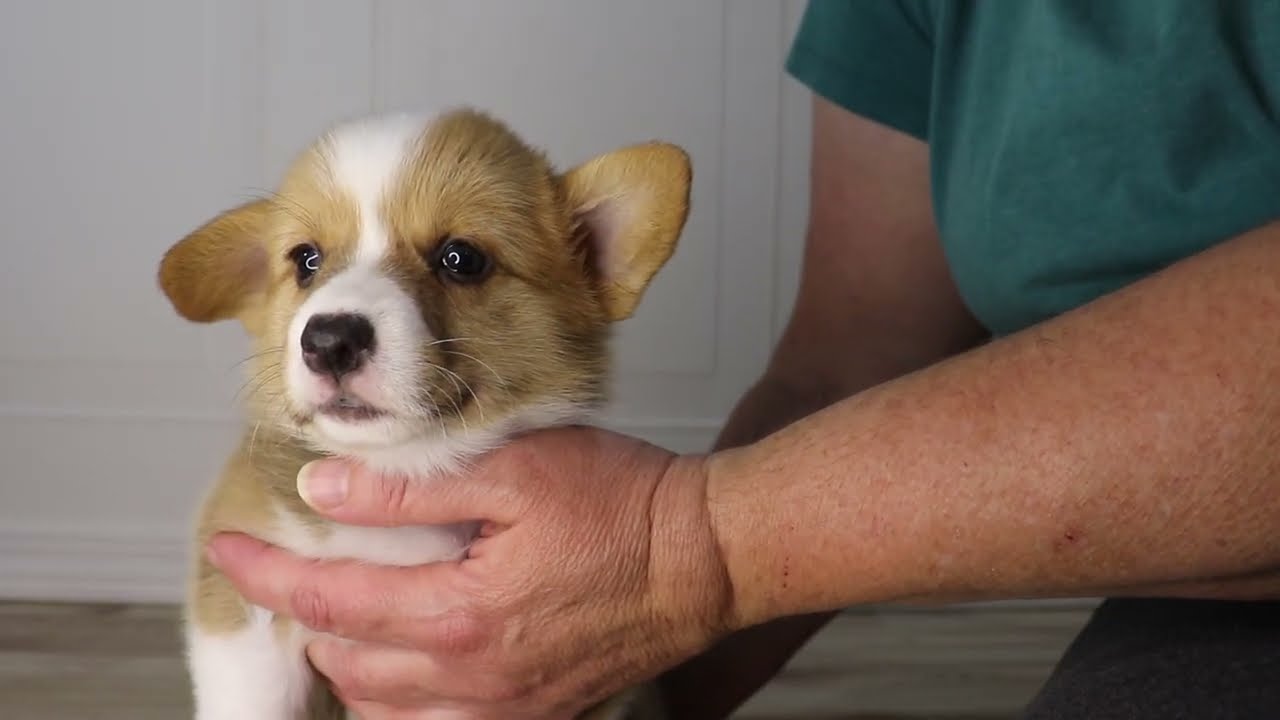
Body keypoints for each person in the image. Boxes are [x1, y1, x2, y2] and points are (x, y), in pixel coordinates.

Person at [206, 1, 1280, 718]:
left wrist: (694, 555)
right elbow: (849, 361)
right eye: (311, 260)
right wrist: (631, 671)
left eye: (455, 258)